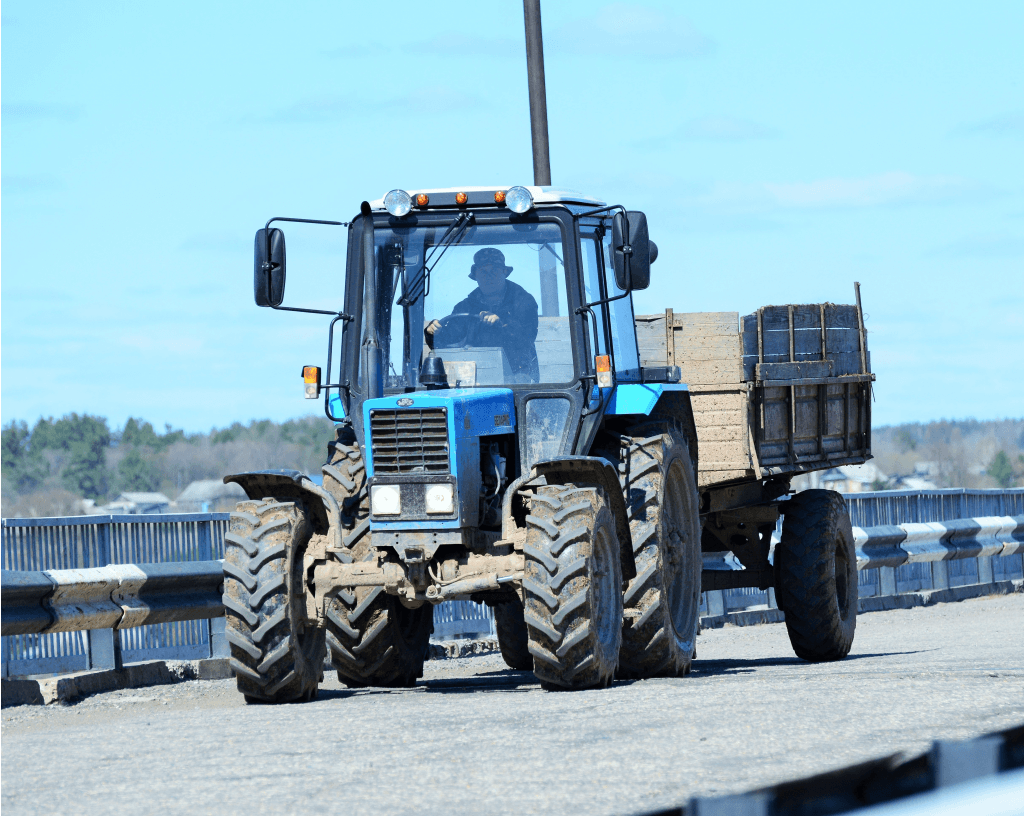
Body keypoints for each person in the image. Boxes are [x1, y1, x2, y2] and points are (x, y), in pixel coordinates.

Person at [425, 247, 540, 382]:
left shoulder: (523, 302)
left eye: (494, 271)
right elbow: (447, 341)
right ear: (476, 276)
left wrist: (502, 323)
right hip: (474, 378)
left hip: (518, 376)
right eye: (483, 272)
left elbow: (526, 338)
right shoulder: (465, 306)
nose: (488, 277)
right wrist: (434, 332)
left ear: (504, 272)